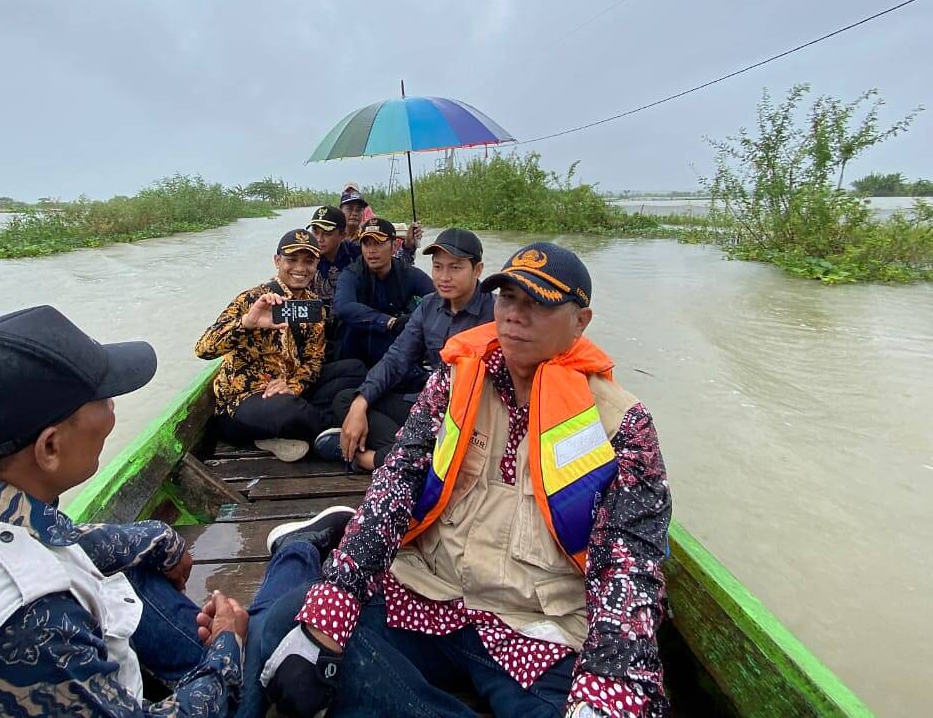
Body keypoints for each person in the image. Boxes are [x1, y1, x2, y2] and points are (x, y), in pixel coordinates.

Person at [0, 304, 355, 718]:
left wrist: (160, 539)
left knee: (136, 571)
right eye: (105, 399)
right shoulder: (33, 625)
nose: (114, 410)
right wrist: (227, 647)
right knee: (271, 636)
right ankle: (295, 555)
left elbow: (59, 538)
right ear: (48, 448)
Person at [255, 243, 673, 718]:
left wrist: (609, 681)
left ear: (581, 321)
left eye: (538, 303)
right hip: (430, 597)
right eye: (508, 299)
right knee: (286, 629)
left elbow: (629, 566)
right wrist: (334, 606)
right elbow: (395, 485)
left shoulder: (623, 424)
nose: (515, 316)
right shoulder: (453, 383)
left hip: (536, 633)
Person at [317, 228, 494, 471]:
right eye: (438, 266)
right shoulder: (429, 306)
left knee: (448, 445)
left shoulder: (497, 313)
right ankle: (403, 452)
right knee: (348, 400)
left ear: (478, 270)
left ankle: (365, 458)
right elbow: (396, 359)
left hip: (473, 417)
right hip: (430, 405)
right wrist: (361, 404)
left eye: (455, 268)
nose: (444, 276)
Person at [195, 229, 364, 461]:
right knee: (289, 410)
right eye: (292, 260)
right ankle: (335, 433)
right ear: (277, 261)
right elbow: (203, 348)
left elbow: (314, 361)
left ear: (317, 263)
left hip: (288, 388)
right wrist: (248, 322)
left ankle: (290, 431)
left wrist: (292, 386)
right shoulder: (252, 299)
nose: (300, 268)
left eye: (308, 261)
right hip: (243, 402)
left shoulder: (313, 308)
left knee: (355, 369)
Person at [333, 217, 435, 369]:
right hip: (355, 350)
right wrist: (388, 322)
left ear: (394, 246)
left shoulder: (407, 273)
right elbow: (343, 306)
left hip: (392, 346)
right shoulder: (352, 273)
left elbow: (439, 299)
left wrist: (414, 320)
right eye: (366, 244)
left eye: (378, 243)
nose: (371, 250)